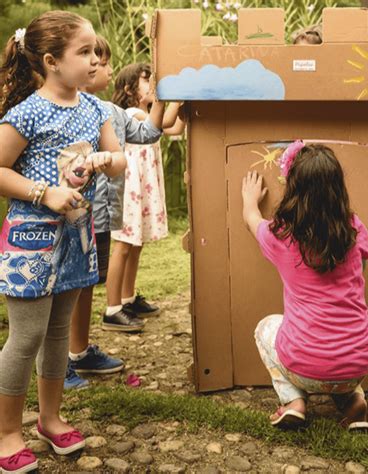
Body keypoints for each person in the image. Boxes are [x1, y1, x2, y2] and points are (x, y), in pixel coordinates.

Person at [0, 11, 126, 473]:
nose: (95, 60)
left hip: (77, 236)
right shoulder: (27, 112)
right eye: (85, 52)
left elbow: (118, 159)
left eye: (96, 51)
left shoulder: (96, 109)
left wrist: (108, 159)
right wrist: (44, 192)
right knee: (26, 336)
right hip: (32, 238)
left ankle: (50, 418)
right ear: (52, 61)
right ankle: (7, 432)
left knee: (58, 334)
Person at [65, 36, 177, 389]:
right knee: (66, 289)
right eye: (97, 59)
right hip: (70, 214)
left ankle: (78, 354)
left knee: (84, 286)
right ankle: (59, 361)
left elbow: (148, 132)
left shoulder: (108, 111)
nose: (106, 68)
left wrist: (161, 94)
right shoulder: (62, 109)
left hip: (98, 216)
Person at [242, 142, 368, 431]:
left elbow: (252, 221)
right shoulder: (355, 230)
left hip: (305, 365)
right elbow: (360, 268)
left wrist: (250, 200)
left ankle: (294, 402)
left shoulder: (281, 236)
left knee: (266, 327)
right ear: (338, 187)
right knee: (338, 359)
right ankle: (353, 400)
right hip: (357, 363)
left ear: (293, 188)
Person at [104, 63, 183, 331]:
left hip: (141, 188)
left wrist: (184, 101)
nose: (151, 85)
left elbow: (175, 128)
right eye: (146, 81)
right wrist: (176, 94)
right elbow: (167, 122)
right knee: (124, 244)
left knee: (135, 245)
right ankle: (112, 308)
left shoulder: (147, 114)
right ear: (129, 89)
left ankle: (127, 297)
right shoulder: (132, 113)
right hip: (129, 189)